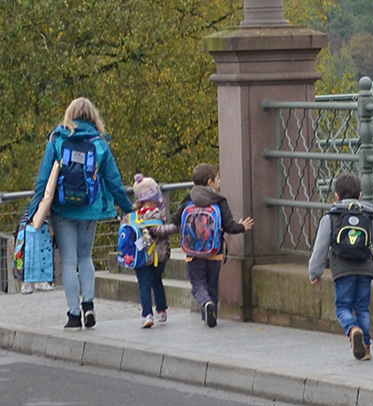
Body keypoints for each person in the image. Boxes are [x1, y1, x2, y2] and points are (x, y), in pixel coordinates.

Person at [30, 97, 133, 330]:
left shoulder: (57, 139)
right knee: (85, 257)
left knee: (68, 261)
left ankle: (73, 315)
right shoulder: (100, 144)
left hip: (63, 208)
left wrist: (34, 209)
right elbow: (114, 181)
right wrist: (128, 209)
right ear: (93, 116)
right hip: (91, 208)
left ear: (70, 114)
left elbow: (43, 180)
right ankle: (88, 305)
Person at [307, 173, 373, 360]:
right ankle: (367, 348)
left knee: (343, 307)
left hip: (342, 270)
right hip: (365, 269)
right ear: (360, 195)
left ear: (336, 196)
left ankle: (352, 329)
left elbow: (321, 247)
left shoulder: (331, 218)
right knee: (362, 308)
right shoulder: (368, 215)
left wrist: (315, 272)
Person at [169, 162, 253, 328]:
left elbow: (175, 219)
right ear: (210, 182)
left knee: (198, 284)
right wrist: (242, 226)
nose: (219, 182)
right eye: (217, 179)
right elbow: (229, 226)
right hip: (215, 251)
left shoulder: (189, 200)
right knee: (212, 283)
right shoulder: (219, 201)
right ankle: (210, 313)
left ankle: (205, 305)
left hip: (193, 253)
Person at [124, 175, 174, 329]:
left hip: (139, 257)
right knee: (157, 281)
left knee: (143, 285)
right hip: (158, 256)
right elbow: (160, 230)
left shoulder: (130, 216)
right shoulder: (157, 214)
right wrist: (175, 227)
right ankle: (162, 310)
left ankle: (147, 315)